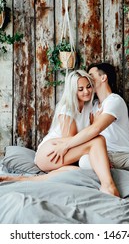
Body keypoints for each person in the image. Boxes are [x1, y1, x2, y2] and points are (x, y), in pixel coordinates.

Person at [46, 62, 129, 203]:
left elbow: (95, 130)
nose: (88, 79)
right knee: (84, 161)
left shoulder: (114, 101)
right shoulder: (90, 107)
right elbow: (86, 135)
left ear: (103, 78)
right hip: (101, 156)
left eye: (91, 75)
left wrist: (65, 145)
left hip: (124, 156)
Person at [0, 69, 119, 197]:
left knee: (78, 171)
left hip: (65, 150)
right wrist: (98, 151)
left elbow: (84, 137)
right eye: (81, 89)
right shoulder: (67, 108)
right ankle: (108, 186)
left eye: (89, 86)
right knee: (98, 140)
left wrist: (101, 157)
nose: (86, 91)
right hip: (52, 151)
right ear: (73, 90)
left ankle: (22, 179)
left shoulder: (88, 107)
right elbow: (71, 140)